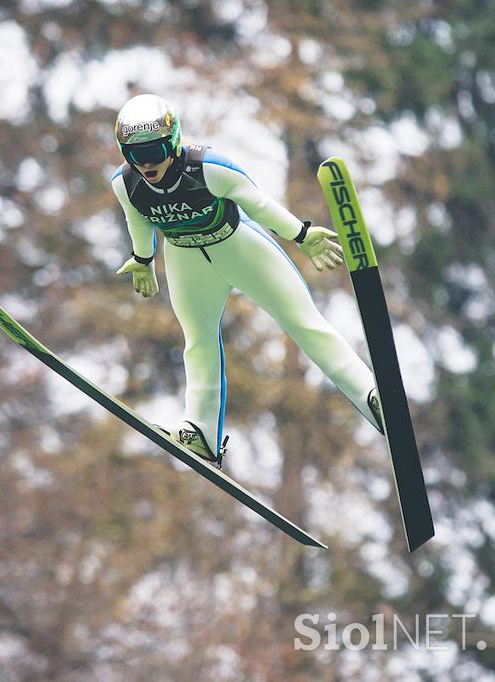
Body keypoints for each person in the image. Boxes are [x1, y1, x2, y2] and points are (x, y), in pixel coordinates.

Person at [111, 93, 383, 468]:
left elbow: (258, 203)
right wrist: (143, 259)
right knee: (199, 340)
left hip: (238, 247)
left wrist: (301, 235)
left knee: (304, 324)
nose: (146, 164)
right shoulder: (126, 184)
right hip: (185, 257)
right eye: (134, 155)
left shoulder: (209, 168)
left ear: (172, 143)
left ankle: (371, 394)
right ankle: (201, 432)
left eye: (154, 151)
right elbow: (138, 218)